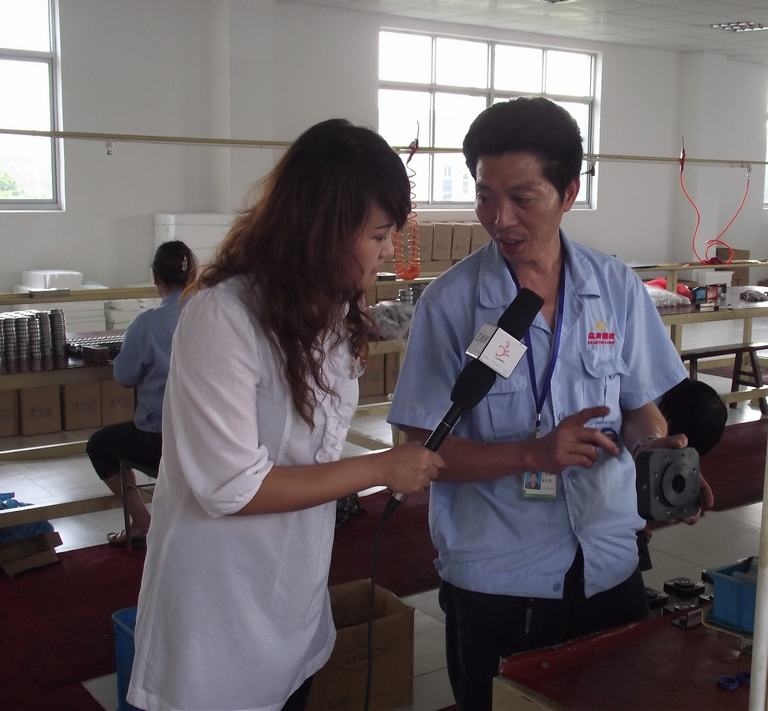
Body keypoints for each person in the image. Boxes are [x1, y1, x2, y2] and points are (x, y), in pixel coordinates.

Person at [387, 97, 713, 710]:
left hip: (609, 564)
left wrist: (658, 455)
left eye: (522, 198)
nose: (499, 218)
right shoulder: (451, 305)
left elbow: (639, 408)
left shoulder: (614, 287)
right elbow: (416, 452)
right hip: (499, 578)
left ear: (568, 193)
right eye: (485, 197)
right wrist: (531, 454)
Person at [127, 120, 444, 711]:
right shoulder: (223, 317)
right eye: (377, 236)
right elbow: (231, 486)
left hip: (292, 593)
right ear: (321, 230)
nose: (385, 253)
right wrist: (381, 467)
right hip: (219, 602)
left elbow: (310, 454)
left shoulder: (332, 313)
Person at [85, 239, 196, 548]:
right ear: (194, 276)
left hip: (159, 439)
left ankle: (142, 520)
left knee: (100, 445)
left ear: (156, 278)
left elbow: (124, 377)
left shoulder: (148, 324)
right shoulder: (210, 316)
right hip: (205, 435)